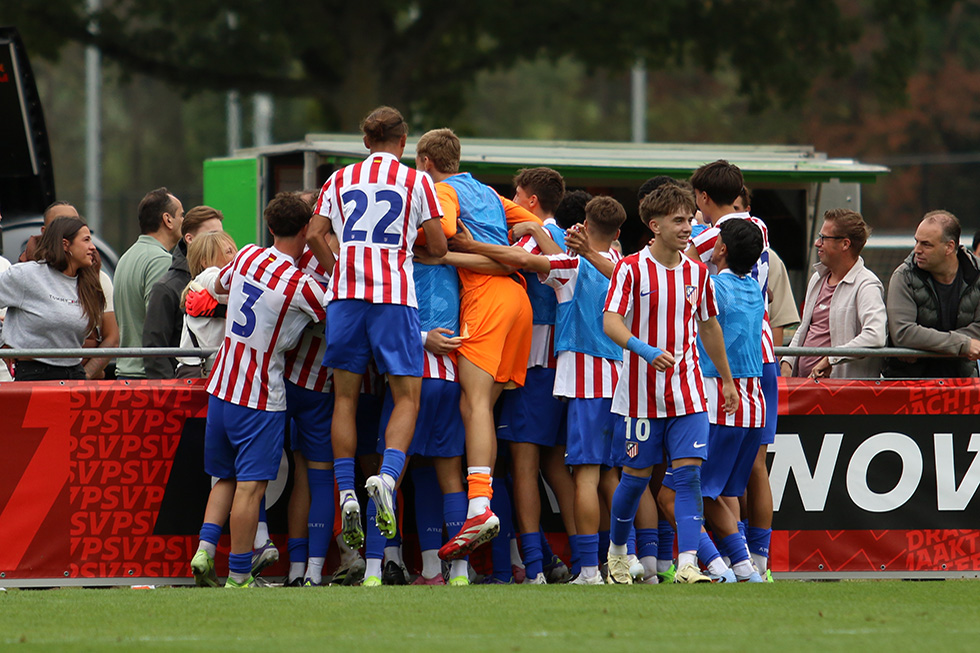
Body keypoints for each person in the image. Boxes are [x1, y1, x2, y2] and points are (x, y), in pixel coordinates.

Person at [306, 106, 447, 553]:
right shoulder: (417, 181)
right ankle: (386, 479)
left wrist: (339, 270)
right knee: (408, 394)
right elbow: (440, 245)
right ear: (404, 142)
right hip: (395, 299)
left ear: (366, 142)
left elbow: (314, 234)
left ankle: (347, 490)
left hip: (347, 298)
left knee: (344, 397)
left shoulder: (341, 179)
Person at [410, 128, 541, 563]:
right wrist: (503, 247)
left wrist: (424, 248)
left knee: (475, 404)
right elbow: (532, 223)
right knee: (481, 407)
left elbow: (439, 233)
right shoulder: (484, 189)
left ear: (426, 161)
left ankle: (479, 505)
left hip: (485, 301)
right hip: (519, 302)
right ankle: (481, 507)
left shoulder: (441, 190)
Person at [189, 192, 326, 589]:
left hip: (221, 385)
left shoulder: (247, 255)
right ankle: (238, 576)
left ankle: (204, 550)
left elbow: (220, 286)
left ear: (269, 226)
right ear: (306, 230)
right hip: (260, 395)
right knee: (251, 490)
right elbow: (339, 312)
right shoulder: (301, 284)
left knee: (223, 477)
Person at [602, 183, 738, 585]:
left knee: (689, 477)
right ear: (654, 225)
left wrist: (726, 381)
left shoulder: (697, 272)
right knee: (635, 479)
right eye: (679, 221)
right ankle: (617, 554)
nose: (688, 228)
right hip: (641, 396)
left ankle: (689, 563)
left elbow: (710, 326)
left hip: (689, 393)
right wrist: (644, 350)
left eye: (690, 220)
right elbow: (610, 321)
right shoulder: (630, 267)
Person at [689, 160, 779, 580]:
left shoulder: (712, 239)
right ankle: (752, 561)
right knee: (744, 471)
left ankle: (727, 562)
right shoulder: (757, 227)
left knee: (691, 479)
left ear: (703, 197)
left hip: (720, 368)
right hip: (759, 358)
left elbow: (672, 270)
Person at [781, 209, 886, 379]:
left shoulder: (867, 285)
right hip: (802, 389)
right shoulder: (817, 278)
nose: (817, 243)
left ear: (845, 244)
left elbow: (875, 335)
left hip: (840, 395)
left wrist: (831, 359)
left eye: (824, 238)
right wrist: (787, 362)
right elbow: (805, 328)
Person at [0, 217, 109, 381]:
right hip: (34, 375)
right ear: (65, 245)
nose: (92, 247)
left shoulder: (88, 283)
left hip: (74, 374)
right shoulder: (26, 275)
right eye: (86, 240)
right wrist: (4, 342)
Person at [884, 210, 980, 378]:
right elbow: (903, 333)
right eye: (916, 242)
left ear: (949, 247)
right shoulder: (904, 276)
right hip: (911, 386)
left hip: (963, 381)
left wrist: (926, 342)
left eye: (926, 244)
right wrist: (962, 344)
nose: (917, 250)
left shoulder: (977, 273)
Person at [144, 205, 225, 378]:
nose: (220, 241)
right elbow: (155, 351)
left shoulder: (226, 280)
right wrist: (173, 394)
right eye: (212, 235)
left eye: (221, 235)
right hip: (187, 383)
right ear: (189, 238)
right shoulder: (167, 287)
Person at [114, 187, 184, 379]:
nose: (183, 222)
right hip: (148, 376)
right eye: (181, 215)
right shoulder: (160, 260)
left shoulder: (127, 256)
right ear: (168, 220)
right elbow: (158, 322)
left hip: (127, 372)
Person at [175, 230, 238, 378]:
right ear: (205, 261)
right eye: (229, 252)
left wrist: (217, 309)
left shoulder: (201, 280)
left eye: (235, 251)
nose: (236, 257)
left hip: (205, 367)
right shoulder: (209, 274)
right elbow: (223, 287)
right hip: (200, 369)